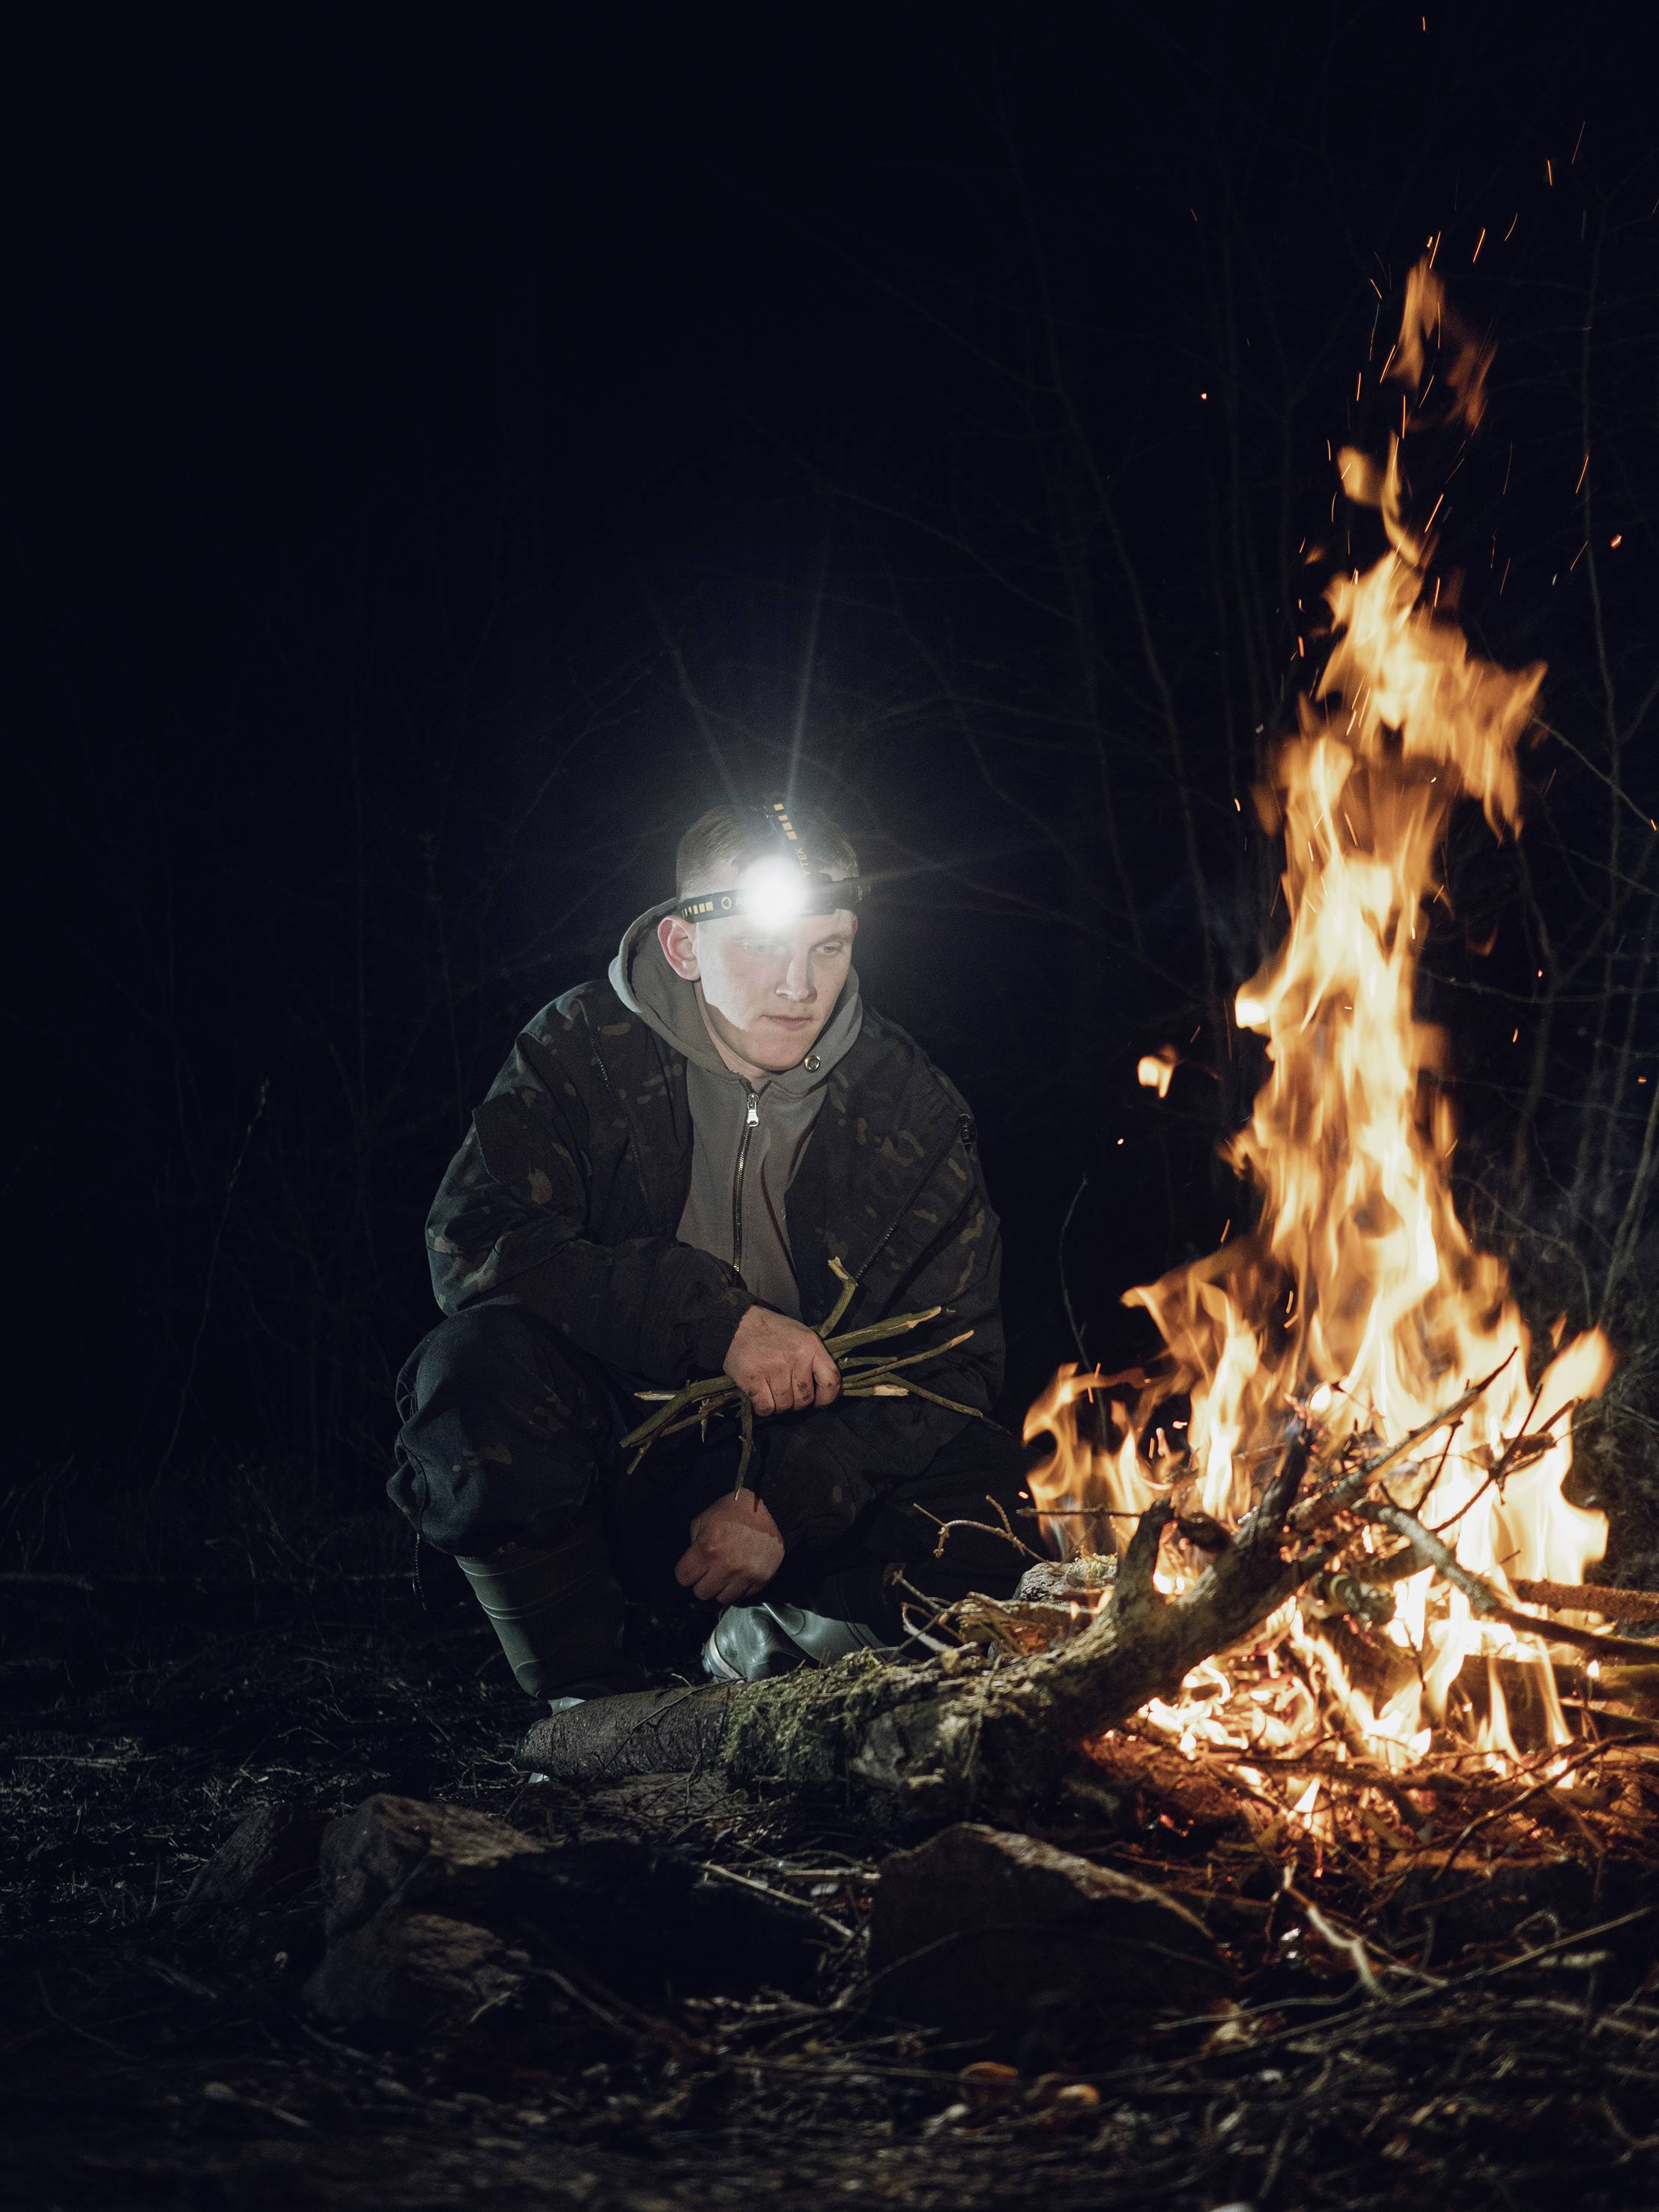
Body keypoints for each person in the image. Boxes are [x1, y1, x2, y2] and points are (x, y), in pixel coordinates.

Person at [389, 797, 1028, 1706]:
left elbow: (954, 1355)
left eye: (829, 948)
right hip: (615, 1452)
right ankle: (584, 1696)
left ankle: (772, 1646)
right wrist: (714, 1321)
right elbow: (474, 1241)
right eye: (764, 947)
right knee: (472, 1373)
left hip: (796, 1470)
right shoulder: (583, 1047)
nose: (800, 987)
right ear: (685, 946)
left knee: (993, 1499)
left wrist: (785, 1501)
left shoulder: (907, 1102)